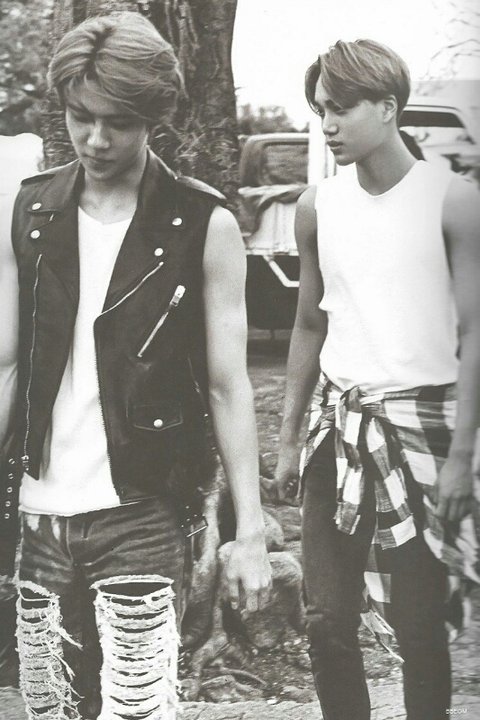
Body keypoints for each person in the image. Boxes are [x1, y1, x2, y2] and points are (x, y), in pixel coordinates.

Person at [0, 11, 270, 719]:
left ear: (154, 116)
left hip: (143, 512)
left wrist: (250, 528)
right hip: (38, 514)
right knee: (52, 710)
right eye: (80, 117)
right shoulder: (30, 212)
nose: (96, 139)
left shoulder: (202, 223)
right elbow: (6, 366)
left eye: (117, 122)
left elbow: (228, 385)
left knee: (137, 711)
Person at [275, 39, 480, 720]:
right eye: (320, 110)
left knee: (420, 626)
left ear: (388, 107)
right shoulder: (318, 206)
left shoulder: (452, 202)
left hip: (422, 434)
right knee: (326, 620)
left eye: (341, 109)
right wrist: (287, 438)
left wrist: (462, 459)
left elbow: (475, 331)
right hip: (338, 432)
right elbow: (310, 322)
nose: (327, 125)